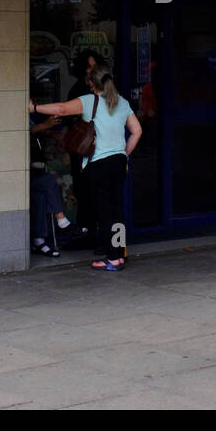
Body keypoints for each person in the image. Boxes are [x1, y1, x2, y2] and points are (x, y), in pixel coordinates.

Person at [30, 64, 140, 271]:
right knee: (117, 210)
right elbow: (137, 131)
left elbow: (61, 109)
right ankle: (120, 254)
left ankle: (112, 258)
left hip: (99, 164)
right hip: (118, 162)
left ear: (91, 83)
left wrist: (34, 108)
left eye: (88, 80)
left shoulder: (91, 101)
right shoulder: (122, 102)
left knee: (105, 212)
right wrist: (124, 154)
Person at [65, 50, 100, 248]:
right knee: (85, 190)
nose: (92, 71)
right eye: (89, 67)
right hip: (85, 149)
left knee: (91, 191)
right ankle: (89, 233)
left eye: (95, 67)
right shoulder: (80, 91)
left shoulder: (104, 93)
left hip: (94, 150)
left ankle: (91, 233)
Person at [29, 112, 71, 257]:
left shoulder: (32, 118)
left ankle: (38, 240)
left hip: (35, 169)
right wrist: (46, 124)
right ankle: (60, 217)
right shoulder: (17, 115)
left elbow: (38, 131)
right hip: (21, 173)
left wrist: (49, 130)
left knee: (40, 196)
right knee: (48, 181)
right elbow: (27, 130)